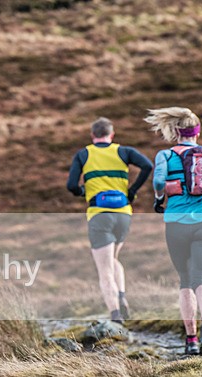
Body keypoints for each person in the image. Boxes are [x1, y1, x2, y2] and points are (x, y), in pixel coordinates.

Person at [67, 117, 152, 323]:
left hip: (99, 215)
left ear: (92, 135)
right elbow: (147, 165)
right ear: (111, 135)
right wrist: (131, 191)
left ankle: (115, 315)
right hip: (123, 214)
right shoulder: (123, 152)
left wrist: (81, 191)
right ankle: (122, 296)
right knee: (113, 259)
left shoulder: (84, 154)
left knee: (104, 269)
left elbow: (71, 185)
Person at [145, 107, 202, 356]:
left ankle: (191, 340)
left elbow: (159, 181)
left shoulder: (165, 155)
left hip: (176, 225)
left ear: (175, 131)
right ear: (197, 131)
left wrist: (160, 198)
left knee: (185, 280)